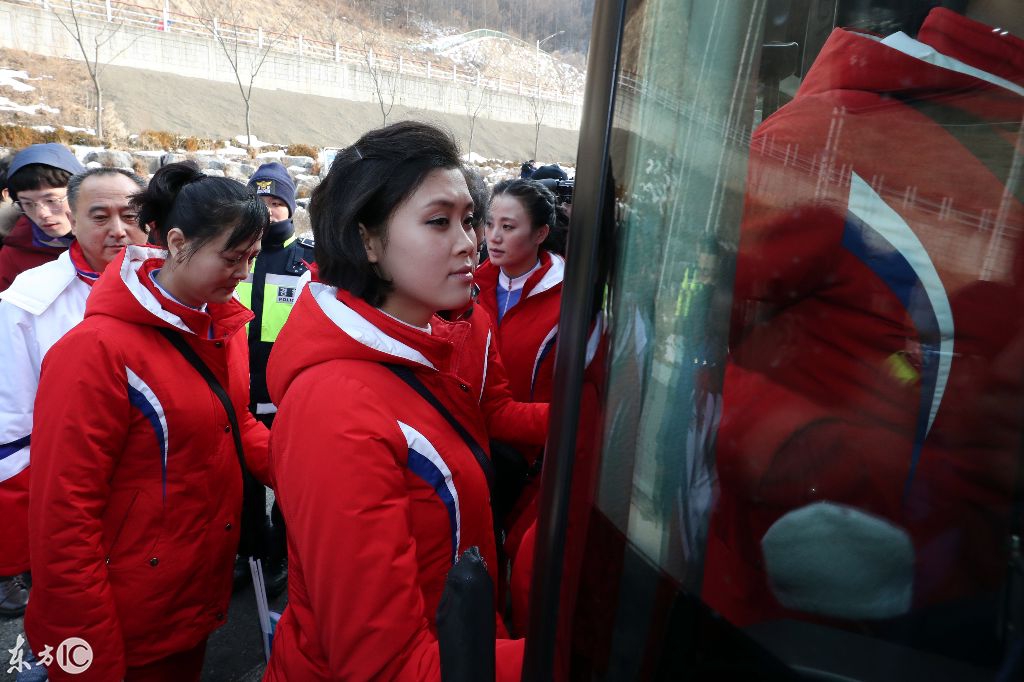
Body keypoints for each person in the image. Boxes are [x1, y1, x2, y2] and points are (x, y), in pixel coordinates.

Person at [702, 1, 1023, 665]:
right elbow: (680, 340)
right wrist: (811, 458)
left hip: (950, 591)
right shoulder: (837, 140)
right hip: (819, 613)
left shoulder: (844, 133)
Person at [263, 121, 524, 681]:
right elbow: (381, 663)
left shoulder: (420, 356)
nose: (468, 242)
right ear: (368, 240)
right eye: (438, 222)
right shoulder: (335, 405)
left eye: (468, 220)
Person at [24, 162, 270, 681]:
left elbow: (236, 421)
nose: (245, 274)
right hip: (122, 611)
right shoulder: (95, 352)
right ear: (177, 242)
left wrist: (312, 471)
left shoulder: (221, 325)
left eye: (251, 257)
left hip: (192, 594)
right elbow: (64, 518)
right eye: (232, 257)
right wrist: (85, 653)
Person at [0, 167, 148, 619]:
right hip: (75, 498)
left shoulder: (179, 288)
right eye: (100, 217)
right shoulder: (29, 301)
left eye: (130, 215)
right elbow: (12, 423)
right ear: (73, 220)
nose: (118, 230)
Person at [233, 162, 313, 596]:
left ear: (290, 207)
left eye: (276, 203)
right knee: (243, 483)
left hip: (287, 394)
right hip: (239, 391)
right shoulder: (233, 254)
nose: (267, 212)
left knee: (288, 479)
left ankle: (284, 552)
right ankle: (252, 551)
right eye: (259, 202)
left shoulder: (308, 261)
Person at [476, 178, 566, 561]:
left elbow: (572, 400)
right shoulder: (469, 286)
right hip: (475, 443)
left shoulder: (569, 301)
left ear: (541, 233)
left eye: (508, 227)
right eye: (489, 223)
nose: (493, 237)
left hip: (531, 459)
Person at [0, 143, 85, 291]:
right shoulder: (14, 253)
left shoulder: (117, 239)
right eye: (28, 203)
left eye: (52, 200)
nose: (42, 213)